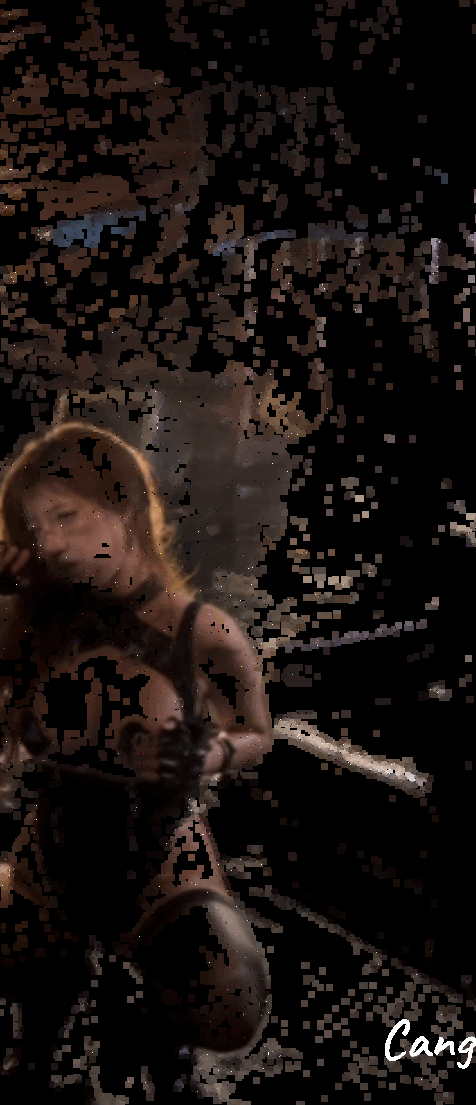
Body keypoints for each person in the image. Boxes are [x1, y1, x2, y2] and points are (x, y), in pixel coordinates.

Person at [0, 421, 273, 1101]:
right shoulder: (32, 624)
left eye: (66, 517)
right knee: (32, 992)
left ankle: (166, 1049)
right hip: (52, 847)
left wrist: (209, 753)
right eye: (36, 528)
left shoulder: (201, 630)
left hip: (161, 852)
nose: (51, 543)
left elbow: (255, 730)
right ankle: (34, 1045)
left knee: (225, 996)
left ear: (124, 507)